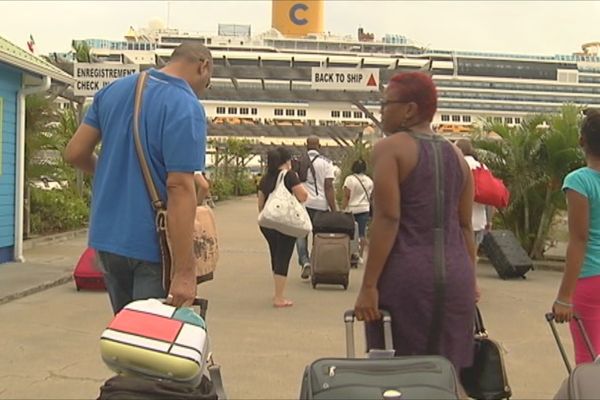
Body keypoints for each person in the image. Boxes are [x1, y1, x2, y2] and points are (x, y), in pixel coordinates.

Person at [65, 43, 213, 314]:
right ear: (203, 65)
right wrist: (185, 272)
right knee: (151, 347)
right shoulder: (185, 104)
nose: (203, 88)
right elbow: (179, 186)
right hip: (151, 246)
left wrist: (112, 171)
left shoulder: (113, 91)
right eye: (208, 82)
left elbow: (75, 153)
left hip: (107, 241)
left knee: (126, 337)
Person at [354, 72, 479, 372]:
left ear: (409, 109)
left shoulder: (390, 149)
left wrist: (369, 285)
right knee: (445, 375)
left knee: (397, 374)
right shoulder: (458, 158)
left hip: (406, 277)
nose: (382, 109)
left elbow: (388, 217)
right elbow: (465, 226)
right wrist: (470, 280)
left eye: (386, 103)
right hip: (457, 277)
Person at [553, 109, 600, 365]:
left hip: (591, 278)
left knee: (588, 360)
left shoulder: (579, 182)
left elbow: (579, 240)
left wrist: (564, 297)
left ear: (582, 141)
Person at [258, 147, 308, 307]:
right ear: (287, 161)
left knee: (275, 254)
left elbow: (261, 204)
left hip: (268, 223)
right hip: (285, 223)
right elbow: (302, 195)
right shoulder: (289, 176)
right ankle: (279, 297)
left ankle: (277, 291)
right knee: (283, 257)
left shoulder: (265, 178)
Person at [296, 136, 337, 280]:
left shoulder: (299, 161)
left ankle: (305, 261)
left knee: (301, 234)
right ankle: (316, 263)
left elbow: (294, 184)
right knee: (318, 236)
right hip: (321, 205)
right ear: (319, 146)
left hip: (303, 204)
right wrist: (334, 208)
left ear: (306, 145)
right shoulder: (327, 163)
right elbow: (328, 187)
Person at [455, 139, 495, 253]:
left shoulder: (458, 165)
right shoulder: (483, 167)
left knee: (461, 256)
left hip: (460, 221)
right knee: (473, 256)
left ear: (460, 150)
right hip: (480, 221)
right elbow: (489, 196)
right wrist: (489, 220)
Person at [342, 159, 374, 264]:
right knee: (362, 233)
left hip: (351, 209)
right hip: (364, 208)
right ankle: (360, 256)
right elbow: (371, 196)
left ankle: (350, 254)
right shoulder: (370, 181)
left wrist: (343, 209)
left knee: (349, 233)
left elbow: (347, 196)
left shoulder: (350, 179)